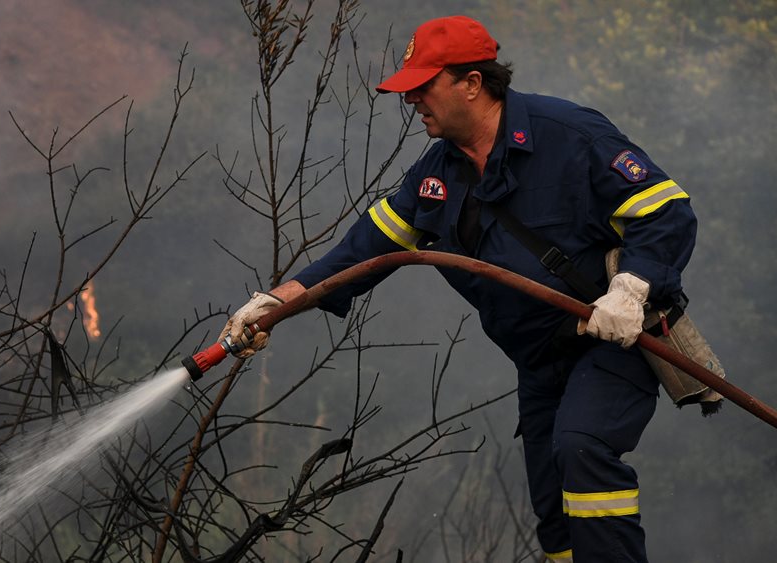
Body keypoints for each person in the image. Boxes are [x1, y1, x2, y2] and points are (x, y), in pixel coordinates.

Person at [220, 15, 695, 563]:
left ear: (472, 83)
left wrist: (629, 291)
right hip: (540, 363)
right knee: (555, 516)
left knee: (582, 452)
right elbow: (361, 253)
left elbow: (666, 209)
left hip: (613, 340)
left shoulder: (570, 134)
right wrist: (276, 304)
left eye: (425, 87)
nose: (413, 101)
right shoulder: (434, 176)